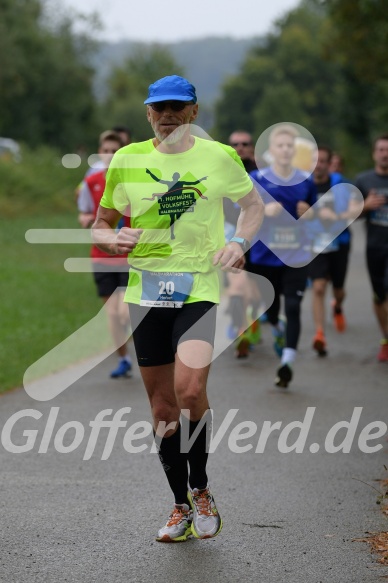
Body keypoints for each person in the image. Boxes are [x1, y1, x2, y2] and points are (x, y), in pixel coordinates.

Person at [91, 75, 264, 542]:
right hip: (145, 291)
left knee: (189, 392)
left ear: (193, 112)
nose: (167, 114)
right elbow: (101, 223)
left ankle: (202, 488)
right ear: (148, 113)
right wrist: (112, 237)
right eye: (158, 107)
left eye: (176, 107)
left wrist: (238, 242)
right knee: (163, 408)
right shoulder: (127, 160)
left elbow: (252, 206)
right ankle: (179, 506)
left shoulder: (219, 157)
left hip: (198, 287)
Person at [249, 124, 316, 388]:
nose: (286, 149)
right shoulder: (257, 178)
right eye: (281, 145)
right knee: (272, 309)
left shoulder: (306, 181)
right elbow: (241, 212)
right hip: (265, 256)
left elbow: (314, 218)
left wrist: (310, 212)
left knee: (294, 306)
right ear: (271, 151)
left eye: (290, 145)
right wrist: (264, 211)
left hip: (296, 255)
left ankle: (287, 361)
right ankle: (277, 329)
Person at [78, 130, 133, 378]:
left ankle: (141, 339)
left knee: (124, 311)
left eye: (115, 151)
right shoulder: (91, 182)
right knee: (112, 313)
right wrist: (87, 219)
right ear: (100, 152)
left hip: (129, 256)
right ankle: (124, 359)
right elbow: (83, 214)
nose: (110, 155)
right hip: (101, 256)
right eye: (106, 150)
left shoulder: (135, 180)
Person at [308, 146, 362, 356]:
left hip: (340, 242)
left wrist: (337, 216)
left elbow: (355, 208)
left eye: (323, 161)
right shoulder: (304, 185)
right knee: (319, 287)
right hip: (315, 243)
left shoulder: (340, 183)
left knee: (338, 289)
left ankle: (337, 305)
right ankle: (319, 334)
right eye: (315, 161)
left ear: (329, 164)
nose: (318, 165)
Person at [224, 131, 261, 357]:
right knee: (237, 287)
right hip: (229, 238)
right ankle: (241, 329)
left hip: (258, 240)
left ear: (252, 147)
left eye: (245, 144)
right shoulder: (221, 172)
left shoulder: (262, 175)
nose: (240, 147)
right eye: (235, 144)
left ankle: (252, 321)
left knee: (255, 293)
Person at [355, 134, 388, 362]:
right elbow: (350, 214)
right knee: (379, 296)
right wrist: (365, 206)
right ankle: (385, 339)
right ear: (374, 153)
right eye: (381, 150)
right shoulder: (363, 180)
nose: (385, 154)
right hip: (374, 246)